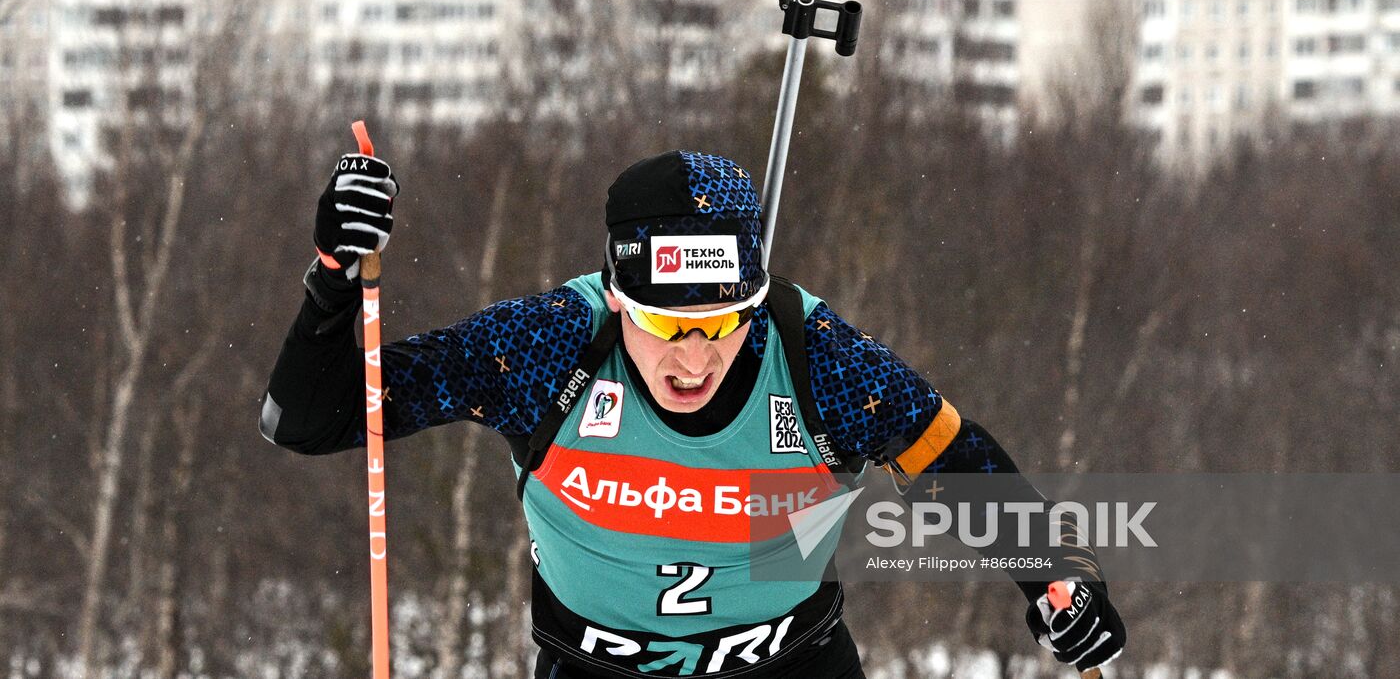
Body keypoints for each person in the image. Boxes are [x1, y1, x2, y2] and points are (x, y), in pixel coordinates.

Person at [261, 148, 1127, 678]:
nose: (695, 357)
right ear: (619, 297)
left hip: (790, 666)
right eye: (668, 326)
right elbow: (307, 419)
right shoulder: (550, 348)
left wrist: (1060, 575)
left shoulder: (813, 353)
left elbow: (953, 458)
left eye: (720, 323)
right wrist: (336, 270)